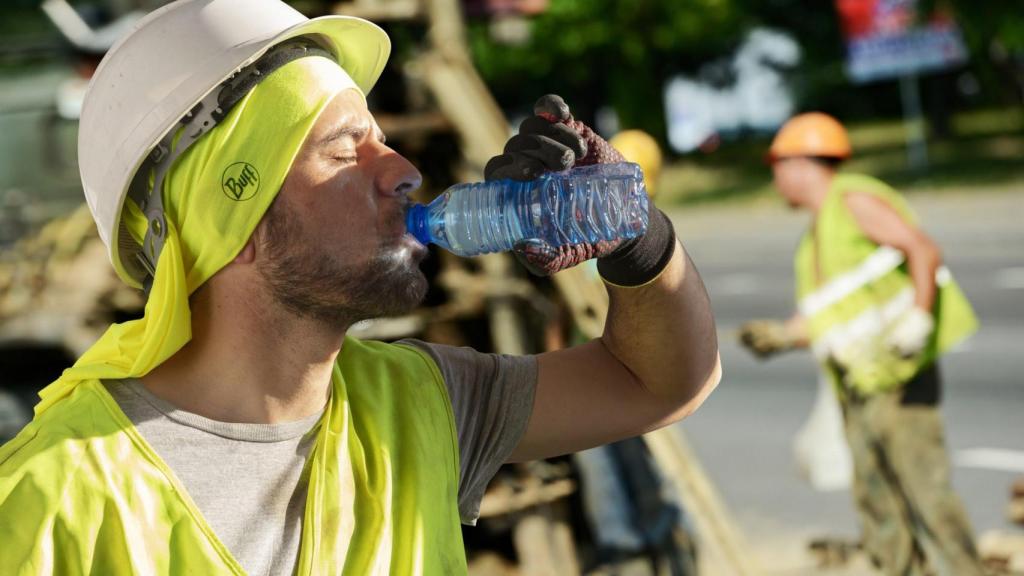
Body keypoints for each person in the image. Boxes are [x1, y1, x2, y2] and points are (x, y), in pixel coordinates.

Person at [0, 0, 720, 573]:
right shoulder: (55, 497)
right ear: (235, 220)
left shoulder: (418, 404)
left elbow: (659, 383)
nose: (404, 167)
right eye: (346, 148)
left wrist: (638, 241)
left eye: (381, 137)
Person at [738, 112, 984, 575]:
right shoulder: (815, 237)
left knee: (927, 497)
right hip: (862, 384)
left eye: (778, 164)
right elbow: (836, 311)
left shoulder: (852, 200)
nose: (774, 177)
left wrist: (918, 318)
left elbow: (923, 249)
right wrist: (785, 334)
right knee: (878, 503)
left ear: (802, 164)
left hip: (900, 378)